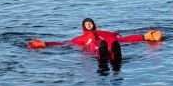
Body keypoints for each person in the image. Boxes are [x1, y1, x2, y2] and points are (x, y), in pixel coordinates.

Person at [26, 18, 162, 64]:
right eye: (87, 23)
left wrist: (144, 37)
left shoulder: (104, 33)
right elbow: (63, 44)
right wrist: (45, 44)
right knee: (98, 47)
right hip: (94, 50)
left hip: (108, 44)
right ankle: (105, 56)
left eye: (91, 23)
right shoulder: (81, 38)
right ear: (83, 26)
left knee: (113, 43)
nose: (89, 25)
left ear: (94, 24)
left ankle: (114, 55)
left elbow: (124, 39)